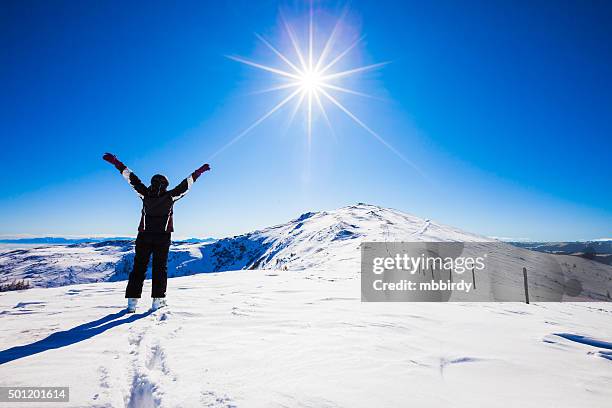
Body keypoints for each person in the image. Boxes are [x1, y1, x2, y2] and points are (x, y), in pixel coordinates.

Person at [103, 153, 211, 312]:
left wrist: (116, 163)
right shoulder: (170, 196)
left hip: (144, 236)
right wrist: (198, 172)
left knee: (139, 267)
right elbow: (186, 185)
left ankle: (132, 304)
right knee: (160, 268)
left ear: (152, 183)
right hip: (163, 237)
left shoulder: (145, 194)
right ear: (166, 185)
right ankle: (157, 301)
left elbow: (131, 178)